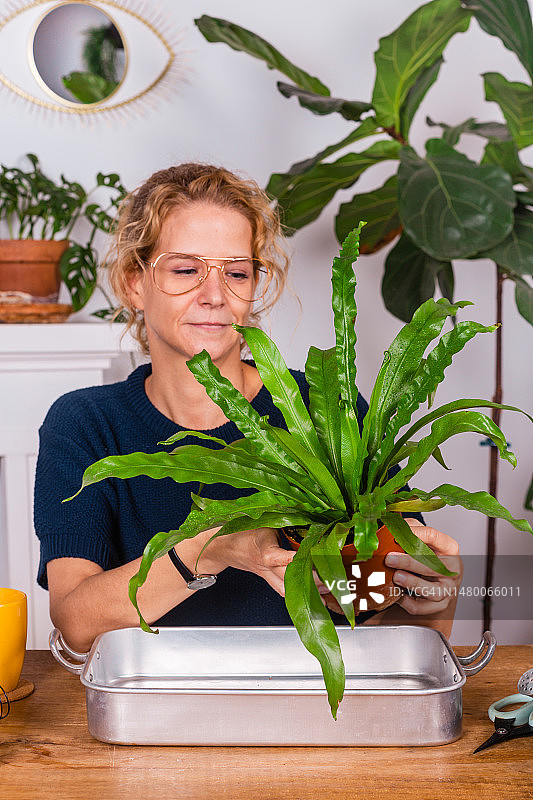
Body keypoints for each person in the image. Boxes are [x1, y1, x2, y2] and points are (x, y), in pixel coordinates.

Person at [34, 163, 463, 654]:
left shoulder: (324, 408)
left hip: (309, 708)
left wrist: (434, 602)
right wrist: (206, 549)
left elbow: (386, 622)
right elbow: (76, 620)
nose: (214, 296)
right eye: (185, 269)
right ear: (135, 281)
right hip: (156, 705)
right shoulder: (85, 425)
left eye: (236, 272)